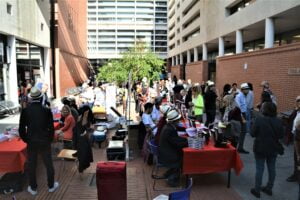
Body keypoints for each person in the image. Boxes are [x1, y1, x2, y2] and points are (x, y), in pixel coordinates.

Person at [19, 87, 59, 195]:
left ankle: (33, 188)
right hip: (44, 141)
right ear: (40, 97)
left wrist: (26, 139)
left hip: (32, 141)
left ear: (31, 98)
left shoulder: (25, 111)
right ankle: (51, 186)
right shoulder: (46, 110)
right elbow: (51, 128)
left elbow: (21, 129)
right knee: (48, 164)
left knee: (32, 165)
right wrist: (49, 139)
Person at [250, 102, 284, 198]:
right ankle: (269, 188)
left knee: (260, 169)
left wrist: (252, 124)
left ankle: (257, 190)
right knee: (272, 168)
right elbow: (281, 135)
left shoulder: (259, 120)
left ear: (265, 109)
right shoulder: (279, 121)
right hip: (273, 148)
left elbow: (252, 133)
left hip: (260, 148)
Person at [158, 109, 188, 187]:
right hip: (166, 154)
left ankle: (169, 173)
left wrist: (185, 140)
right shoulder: (170, 129)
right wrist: (188, 143)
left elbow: (176, 139)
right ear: (174, 121)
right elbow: (177, 143)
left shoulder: (169, 127)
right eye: (178, 120)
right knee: (181, 157)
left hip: (165, 151)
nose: (179, 121)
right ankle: (172, 179)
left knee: (181, 154)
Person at [287, 96, 300, 182]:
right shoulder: (297, 112)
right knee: (296, 158)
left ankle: (296, 175)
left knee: (298, 157)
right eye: (297, 101)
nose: (297, 103)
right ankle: (296, 174)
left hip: (298, 139)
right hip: (295, 137)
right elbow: (290, 118)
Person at [235, 83, 250, 154]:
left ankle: (240, 147)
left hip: (243, 114)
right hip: (239, 115)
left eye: (248, 89)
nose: (248, 91)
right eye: (246, 89)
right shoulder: (239, 96)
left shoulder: (244, 96)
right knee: (239, 131)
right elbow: (238, 108)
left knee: (243, 132)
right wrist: (242, 117)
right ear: (242, 90)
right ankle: (236, 147)